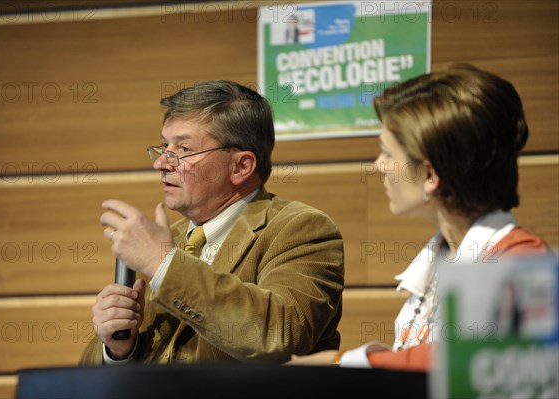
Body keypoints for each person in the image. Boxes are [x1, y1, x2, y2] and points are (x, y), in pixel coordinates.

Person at [287, 63, 553, 370]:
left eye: (387, 153)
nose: (378, 165)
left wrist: (345, 361)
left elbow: (460, 360)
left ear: (429, 175)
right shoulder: (443, 255)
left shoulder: (520, 259)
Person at [79, 80, 344, 365]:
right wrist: (118, 350)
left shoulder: (301, 229)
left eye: (183, 149)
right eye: (164, 145)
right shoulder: (166, 239)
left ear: (241, 166)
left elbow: (280, 335)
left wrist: (164, 265)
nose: (161, 163)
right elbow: (92, 378)